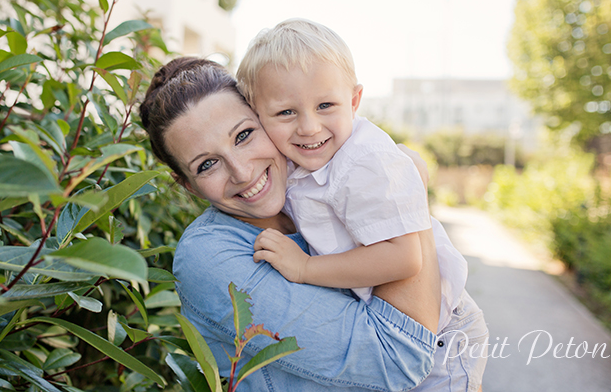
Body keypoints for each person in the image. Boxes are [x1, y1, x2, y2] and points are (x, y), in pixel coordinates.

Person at [140, 56, 444, 391]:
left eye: (243, 135)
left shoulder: (314, 194)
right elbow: (394, 358)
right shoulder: (209, 257)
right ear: (186, 184)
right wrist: (409, 186)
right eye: (208, 164)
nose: (241, 172)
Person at [236, 18, 489, 392]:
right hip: (398, 327)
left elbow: (403, 258)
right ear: (257, 115)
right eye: (286, 112)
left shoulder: (363, 161)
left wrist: (305, 268)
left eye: (325, 105)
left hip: (443, 337)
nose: (308, 126)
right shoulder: (305, 159)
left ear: (353, 101)